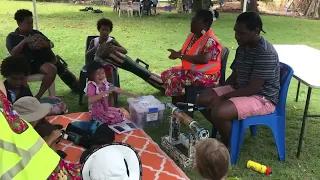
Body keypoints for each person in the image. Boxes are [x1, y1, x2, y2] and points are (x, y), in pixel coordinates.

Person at [197, 12, 280, 147]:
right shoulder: (243, 46)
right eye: (236, 31)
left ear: (256, 31)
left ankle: (231, 144)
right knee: (202, 99)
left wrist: (223, 98)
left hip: (262, 97)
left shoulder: (265, 52)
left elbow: (253, 88)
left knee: (219, 111)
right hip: (241, 88)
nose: (237, 36)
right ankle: (230, 132)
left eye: (242, 33)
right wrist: (219, 91)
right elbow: (235, 74)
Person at [161, 9, 222, 105]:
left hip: (207, 75)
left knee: (175, 80)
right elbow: (187, 50)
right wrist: (176, 54)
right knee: (166, 74)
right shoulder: (194, 36)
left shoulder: (210, 40)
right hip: (193, 71)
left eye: (196, 21)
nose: (192, 23)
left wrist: (180, 56)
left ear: (205, 25)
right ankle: (178, 105)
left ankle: (183, 109)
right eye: (193, 20)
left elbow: (204, 59)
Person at [6, 9, 57, 100]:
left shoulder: (36, 33)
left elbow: (51, 44)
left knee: (52, 69)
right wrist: (24, 42)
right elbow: (13, 53)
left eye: (32, 22)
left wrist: (46, 44)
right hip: (22, 64)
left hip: (38, 62)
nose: (31, 25)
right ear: (19, 23)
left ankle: (38, 97)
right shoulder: (12, 37)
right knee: (21, 76)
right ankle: (27, 98)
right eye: (28, 23)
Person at [1, 55, 68, 115]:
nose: (18, 82)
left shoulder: (25, 90)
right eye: (14, 79)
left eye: (21, 78)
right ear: (6, 75)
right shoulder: (2, 92)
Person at [86, 18, 128, 106]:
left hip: (109, 64)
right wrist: (97, 46)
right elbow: (88, 55)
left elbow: (124, 50)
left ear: (110, 31)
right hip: (97, 64)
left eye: (107, 30)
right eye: (102, 29)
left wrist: (115, 48)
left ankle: (110, 102)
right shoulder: (95, 41)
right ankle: (95, 100)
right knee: (95, 74)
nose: (104, 32)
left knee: (108, 72)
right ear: (99, 29)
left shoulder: (111, 41)